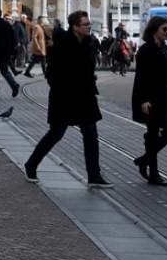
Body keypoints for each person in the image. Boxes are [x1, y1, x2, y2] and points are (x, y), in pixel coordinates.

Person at [23, 11, 112, 188]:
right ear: (75, 27)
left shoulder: (89, 43)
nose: (88, 27)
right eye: (85, 24)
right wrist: (62, 87)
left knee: (91, 135)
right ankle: (31, 164)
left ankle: (94, 175)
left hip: (85, 97)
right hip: (64, 97)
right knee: (56, 133)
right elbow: (51, 73)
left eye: (88, 24)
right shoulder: (61, 46)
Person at [130, 16, 167, 186]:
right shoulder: (146, 50)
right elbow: (141, 78)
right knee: (152, 133)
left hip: (165, 98)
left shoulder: (164, 49)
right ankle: (153, 174)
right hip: (150, 98)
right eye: (164, 29)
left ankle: (144, 160)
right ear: (154, 30)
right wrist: (143, 100)